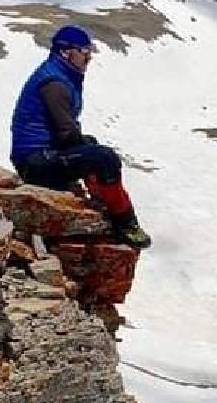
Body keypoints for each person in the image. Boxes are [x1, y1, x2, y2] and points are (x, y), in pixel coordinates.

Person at [10, 25, 151, 249]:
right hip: (36, 162)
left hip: (39, 155)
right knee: (104, 158)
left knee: (92, 147)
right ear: (67, 52)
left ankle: (102, 202)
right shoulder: (55, 83)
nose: (89, 56)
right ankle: (124, 222)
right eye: (84, 51)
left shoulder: (60, 75)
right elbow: (66, 133)